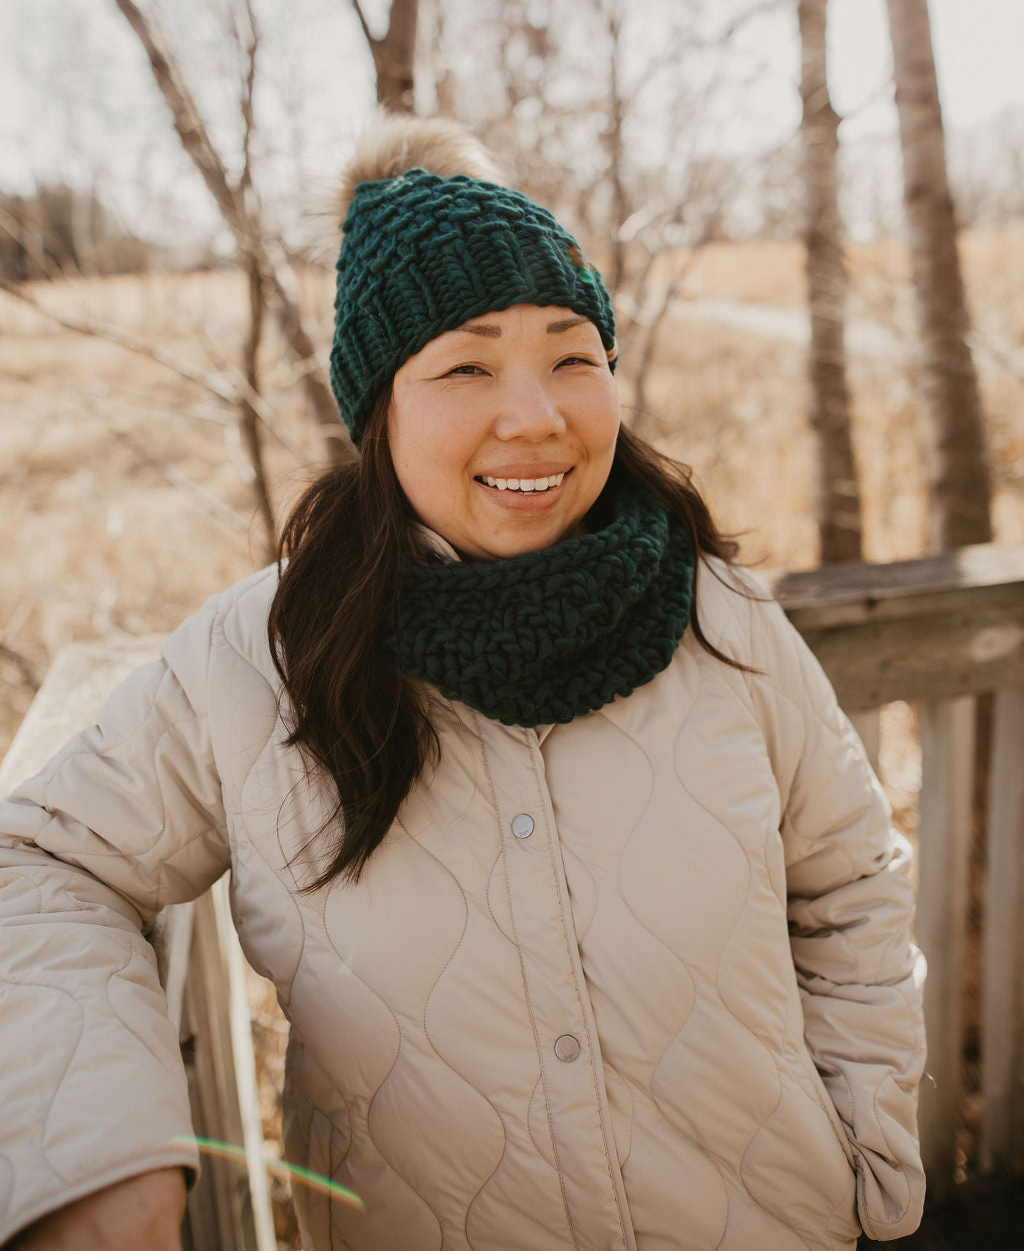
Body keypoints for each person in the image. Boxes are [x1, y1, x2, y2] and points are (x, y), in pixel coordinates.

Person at [0, 114, 926, 1251]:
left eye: (573, 357)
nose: (535, 415)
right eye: (468, 365)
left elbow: (852, 881)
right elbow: (38, 863)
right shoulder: (252, 660)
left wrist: (869, 1148)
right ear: (378, 411)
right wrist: (90, 1157)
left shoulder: (721, 617)